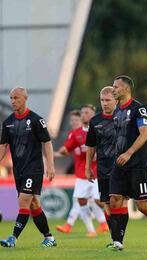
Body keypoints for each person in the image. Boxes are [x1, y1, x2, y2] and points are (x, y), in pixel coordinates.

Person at [108, 75, 147, 251]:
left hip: (137, 164)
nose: (113, 90)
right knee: (115, 200)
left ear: (127, 89)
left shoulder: (138, 109)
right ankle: (117, 242)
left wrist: (129, 152)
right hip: (119, 163)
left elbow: (144, 134)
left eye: (116, 87)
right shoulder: (117, 110)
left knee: (142, 205)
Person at [0, 87, 57, 247]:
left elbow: (47, 142)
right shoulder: (8, 123)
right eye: (11, 98)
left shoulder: (36, 120)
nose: (13, 101)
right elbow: (3, 146)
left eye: (16, 98)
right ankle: (49, 238)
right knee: (33, 205)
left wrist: (51, 165)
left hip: (34, 168)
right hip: (19, 170)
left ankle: (13, 238)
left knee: (24, 200)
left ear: (25, 98)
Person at [55, 104, 108, 237]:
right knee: (81, 201)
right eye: (82, 113)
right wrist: (59, 152)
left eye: (87, 113)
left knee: (98, 201)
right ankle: (91, 230)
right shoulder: (76, 133)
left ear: (93, 114)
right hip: (82, 174)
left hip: (98, 173)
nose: (84, 115)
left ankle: (111, 218)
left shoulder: (99, 128)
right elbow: (67, 147)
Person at [85, 86, 117, 244]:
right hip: (103, 167)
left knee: (117, 200)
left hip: (120, 167)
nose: (105, 103)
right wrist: (88, 166)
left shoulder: (122, 117)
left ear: (116, 100)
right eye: (102, 100)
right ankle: (114, 237)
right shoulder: (95, 121)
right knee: (106, 203)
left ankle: (118, 237)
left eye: (108, 100)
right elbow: (90, 145)